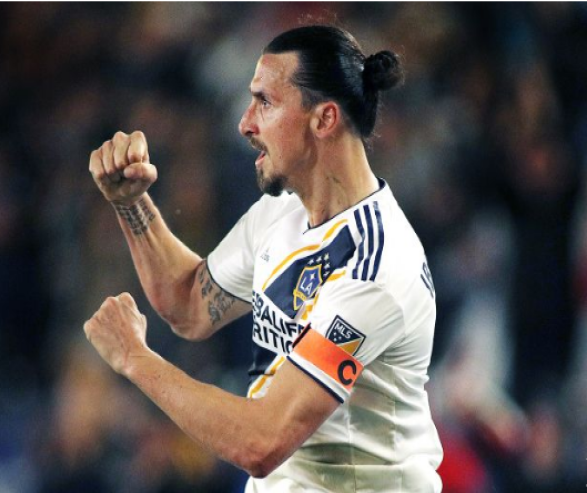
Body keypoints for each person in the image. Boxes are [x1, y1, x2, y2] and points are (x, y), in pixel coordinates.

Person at [85, 24, 443, 492]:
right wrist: (132, 204)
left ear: (324, 119)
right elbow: (189, 304)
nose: (245, 123)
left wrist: (136, 359)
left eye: (265, 102)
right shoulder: (281, 212)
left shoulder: (374, 267)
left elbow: (262, 443)